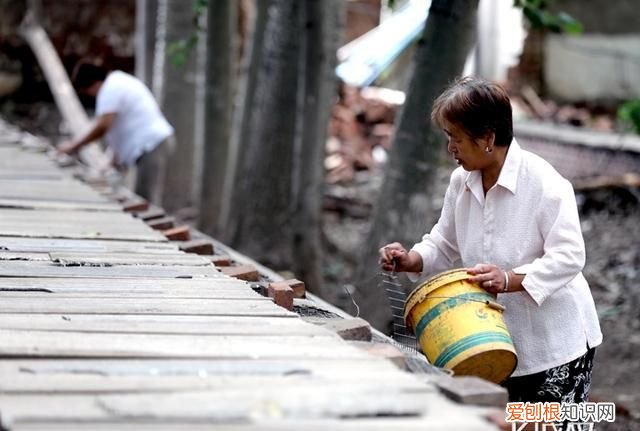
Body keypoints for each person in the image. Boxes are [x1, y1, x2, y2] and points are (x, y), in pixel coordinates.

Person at [379, 76, 602, 404]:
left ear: (487, 138)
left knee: (548, 428)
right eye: (447, 137)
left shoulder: (545, 183)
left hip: (556, 345)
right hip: (490, 341)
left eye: (455, 138)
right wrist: (411, 259)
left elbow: (569, 256)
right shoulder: (462, 182)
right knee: (506, 423)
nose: (450, 148)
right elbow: (443, 241)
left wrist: (510, 279)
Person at [59, 62, 175, 205]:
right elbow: (121, 127)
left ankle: (140, 227)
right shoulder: (119, 81)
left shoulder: (110, 88)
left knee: (144, 200)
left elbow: (103, 126)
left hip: (152, 145)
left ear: (94, 84)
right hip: (154, 143)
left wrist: (74, 146)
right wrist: (113, 160)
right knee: (140, 196)